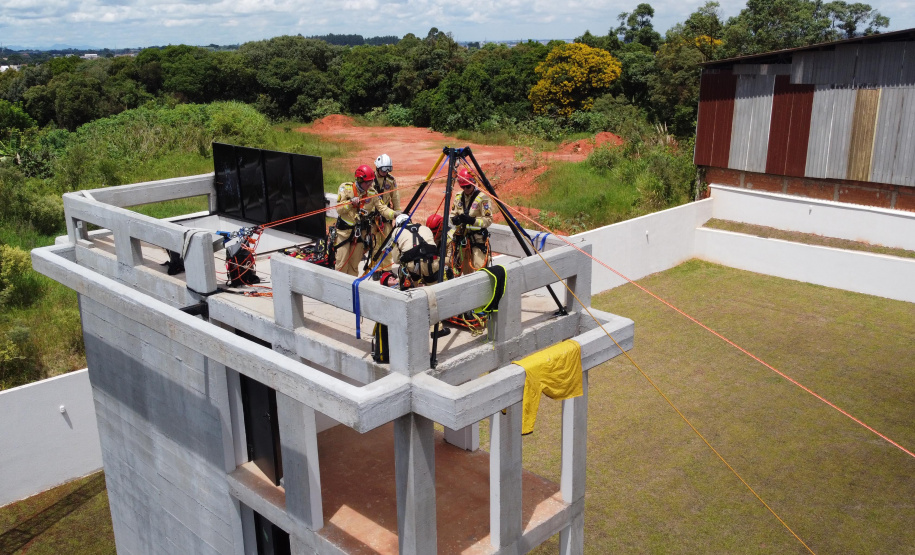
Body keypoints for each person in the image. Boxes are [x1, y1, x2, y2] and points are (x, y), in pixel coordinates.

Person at [334, 165, 397, 276]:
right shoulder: (346, 189)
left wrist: (395, 214)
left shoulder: (372, 193)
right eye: (367, 182)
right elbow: (339, 209)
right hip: (344, 234)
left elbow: (383, 209)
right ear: (359, 180)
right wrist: (350, 204)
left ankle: (352, 287)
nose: (369, 184)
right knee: (342, 264)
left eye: (371, 181)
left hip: (359, 235)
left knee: (354, 265)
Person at [449, 167, 493, 275]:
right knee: (464, 272)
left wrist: (472, 221)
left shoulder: (483, 198)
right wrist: (455, 220)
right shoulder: (459, 197)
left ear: (473, 183)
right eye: (463, 187)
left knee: (480, 271)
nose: (466, 189)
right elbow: (452, 215)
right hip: (462, 241)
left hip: (477, 241)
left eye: (468, 186)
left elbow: (488, 220)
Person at [392, 213, 440, 286]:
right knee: (434, 289)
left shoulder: (396, 231)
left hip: (413, 266)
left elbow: (396, 260)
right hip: (432, 262)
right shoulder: (425, 228)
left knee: (411, 291)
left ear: (398, 224)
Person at [372, 154, 400, 268]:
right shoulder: (370, 180)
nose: (386, 172)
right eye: (384, 169)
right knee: (374, 245)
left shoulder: (391, 180)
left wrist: (397, 213)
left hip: (386, 217)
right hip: (373, 217)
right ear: (377, 167)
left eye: (389, 169)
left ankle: (386, 269)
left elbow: (395, 197)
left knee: (387, 244)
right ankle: (375, 269)